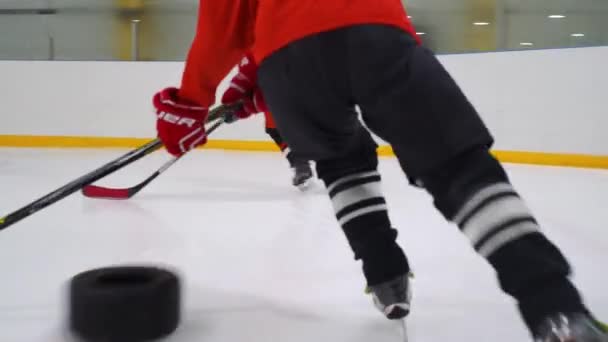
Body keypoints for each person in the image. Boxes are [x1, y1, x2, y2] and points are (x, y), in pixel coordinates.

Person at [151, 1, 607, 340]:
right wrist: (259, 71)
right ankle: (557, 312)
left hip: (288, 60)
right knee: (458, 167)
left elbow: (225, 26)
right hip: (376, 28)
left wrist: (193, 102)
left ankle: (385, 275)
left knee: (342, 163)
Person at [220, 54, 314, 189]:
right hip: (278, 96)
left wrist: (242, 109)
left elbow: (266, 82)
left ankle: (304, 164)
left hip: (288, 92)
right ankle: (301, 165)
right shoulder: (244, 51)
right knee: (275, 129)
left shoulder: (258, 46)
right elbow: (250, 81)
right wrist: (238, 104)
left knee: (284, 128)